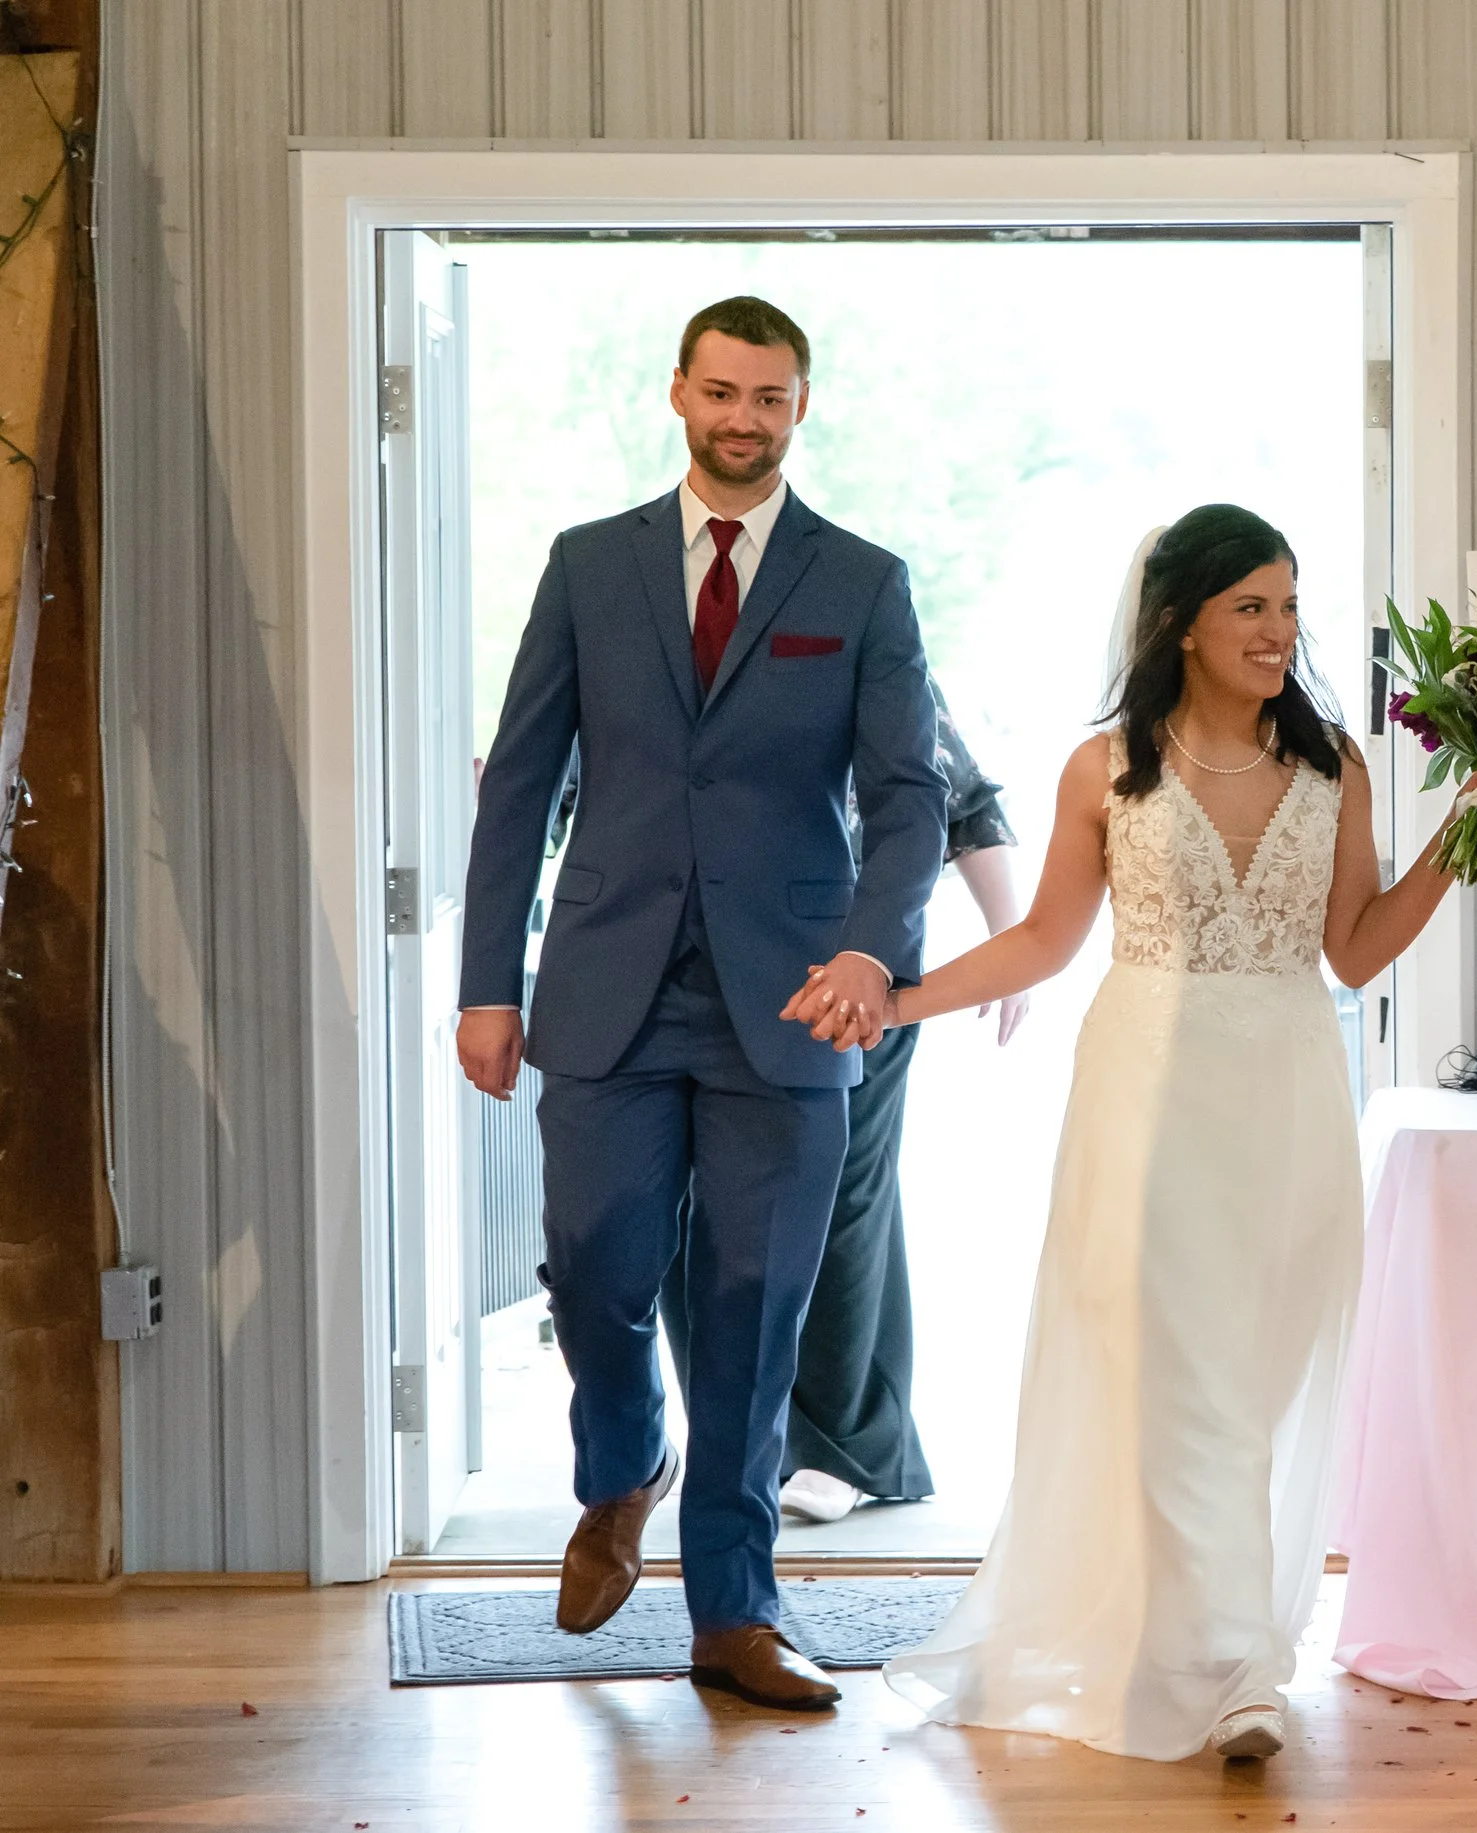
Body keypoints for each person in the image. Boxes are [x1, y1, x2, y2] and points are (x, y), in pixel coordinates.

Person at [784, 505, 1477, 1761]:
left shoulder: (1331, 763)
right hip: (1145, 1094)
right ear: (1182, 621)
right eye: (1251, 607)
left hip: (1286, 1090)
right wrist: (899, 1001)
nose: (1279, 631)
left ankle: (1214, 1636)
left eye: (1290, 606)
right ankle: (1239, 1666)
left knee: (1256, 1375)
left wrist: (1464, 835)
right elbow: (1040, 944)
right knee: (1179, 1377)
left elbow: (1353, 952)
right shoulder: (1104, 767)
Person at [456, 295, 947, 1714]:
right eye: (723, 392)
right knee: (593, 1264)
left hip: (791, 1003)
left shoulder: (861, 582)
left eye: (772, 397)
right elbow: (521, 789)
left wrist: (871, 950)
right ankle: (622, 1465)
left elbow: (906, 796)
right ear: (678, 393)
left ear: (804, 406)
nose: (745, 418)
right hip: (606, 988)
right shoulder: (588, 565)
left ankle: (735, 1610)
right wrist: (491, 983)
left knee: (754, 1304)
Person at [658, 681, 1025, 1521]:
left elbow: (966, 804)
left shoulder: (870, 640)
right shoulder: (670, 651)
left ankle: (851, 1444)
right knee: (698, 1204)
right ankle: (742, 1430)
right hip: (696, 971)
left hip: (860, 974)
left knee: (847, 1194)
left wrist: (1010, 951)